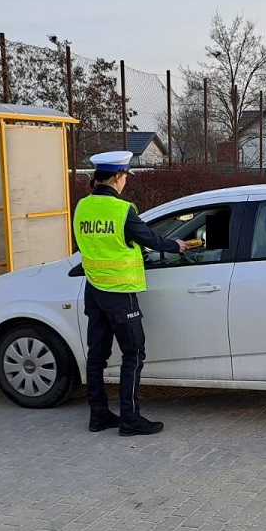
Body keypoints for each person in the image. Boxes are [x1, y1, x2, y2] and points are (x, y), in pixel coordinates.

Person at [73, 151, 190, 436]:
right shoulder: (122, 211)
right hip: (120, 292)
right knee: (133, 354)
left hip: (94, 290)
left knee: (97, 356)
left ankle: (98, 415)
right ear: (116, 177)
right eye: (125, 177)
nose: (125, 182)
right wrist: (177, 246)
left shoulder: (82, 207)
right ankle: (130, 418)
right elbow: (150, 239)